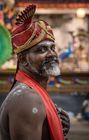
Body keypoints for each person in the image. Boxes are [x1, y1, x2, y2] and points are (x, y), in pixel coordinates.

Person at [0, 5, 70, 140]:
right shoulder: (28, 99)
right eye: (41, 50)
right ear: (23, 60)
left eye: (52, 48)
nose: (51, 54)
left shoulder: (30, 92)